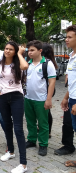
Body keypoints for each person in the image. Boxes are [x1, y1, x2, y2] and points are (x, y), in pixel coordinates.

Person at [0, 42, 28, 173]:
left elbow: (25, 66)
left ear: (15, 51)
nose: (7, 51)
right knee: (7, 125)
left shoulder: (18, 63)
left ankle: (23, 164)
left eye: (11, 49)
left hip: (16, 97)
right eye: (6, 48)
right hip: (2, 97)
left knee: (18, 129)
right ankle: (11, 151)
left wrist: (19, 53)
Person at [24, 40, 56, 156]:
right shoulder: (28, 63)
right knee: (30, 121)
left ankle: (43, 144)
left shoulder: (47, 64)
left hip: (41, 99)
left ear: (40, 51)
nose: (30, 53)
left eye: (32, 50)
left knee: (43, 123)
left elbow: (52, 82)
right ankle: (32, 140)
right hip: (28, 98)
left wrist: (48, 99)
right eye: (29, 50)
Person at [61, 25, 76, 167]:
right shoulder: (72, 56)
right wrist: (66, 98)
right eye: (67, 36)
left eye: (70, 37)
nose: (67, 39)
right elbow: (73, 82)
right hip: (72, 98)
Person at [41, 43, 59, 138]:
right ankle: (44, 128)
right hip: (45, 89)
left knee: (46, 110)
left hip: (47, 89)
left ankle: (48, 131)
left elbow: (52, 80)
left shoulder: (48, 63)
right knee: (44, 110)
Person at [54, 75, 75, 155]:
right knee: (67, 122)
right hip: (71, 98)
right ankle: (68, 146)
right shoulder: (71, 63)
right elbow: (72, 85)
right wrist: (66, 98)